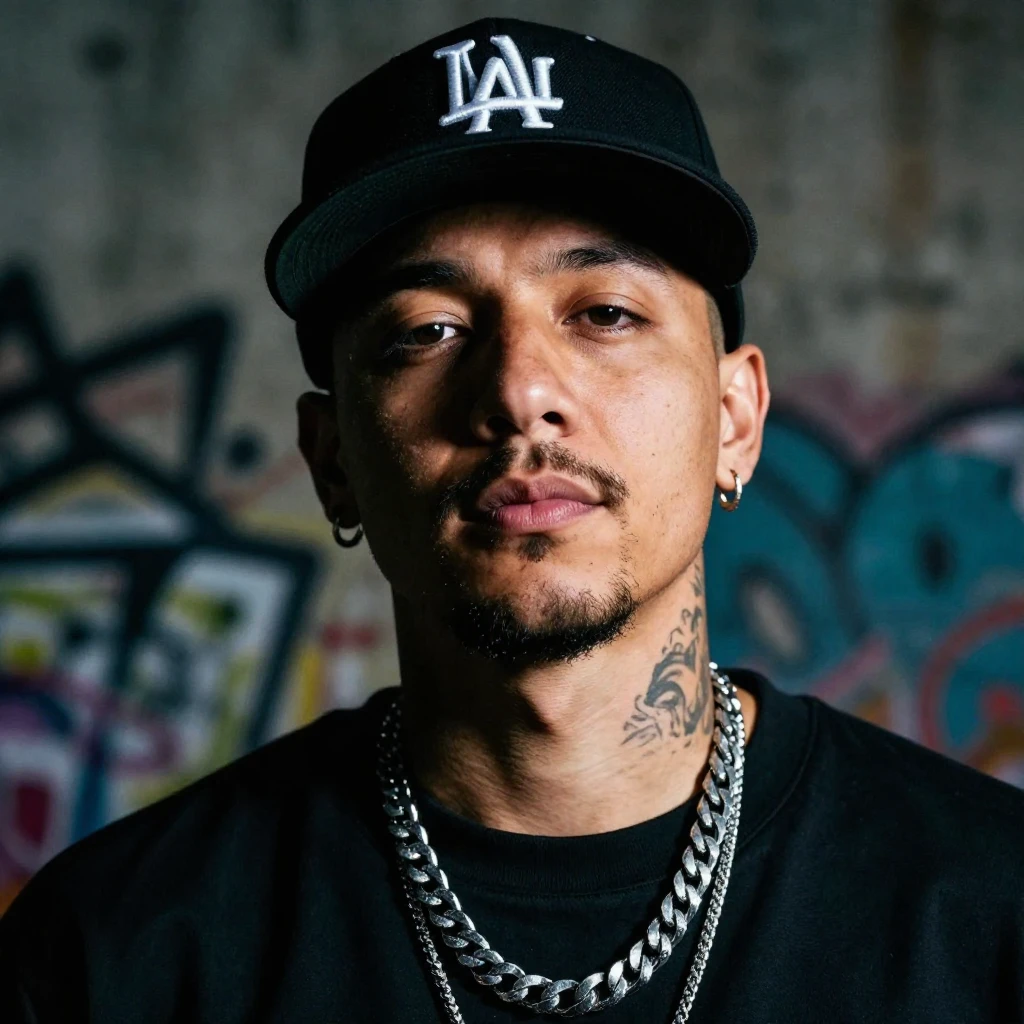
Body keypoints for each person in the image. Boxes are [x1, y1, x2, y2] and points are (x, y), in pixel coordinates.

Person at [2, 17, 1022, 1023]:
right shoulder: (115, 951)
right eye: (428, 330)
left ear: (734, 420)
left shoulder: (988, 905)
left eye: (605, 313)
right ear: (333, 461)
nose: (520, 391)